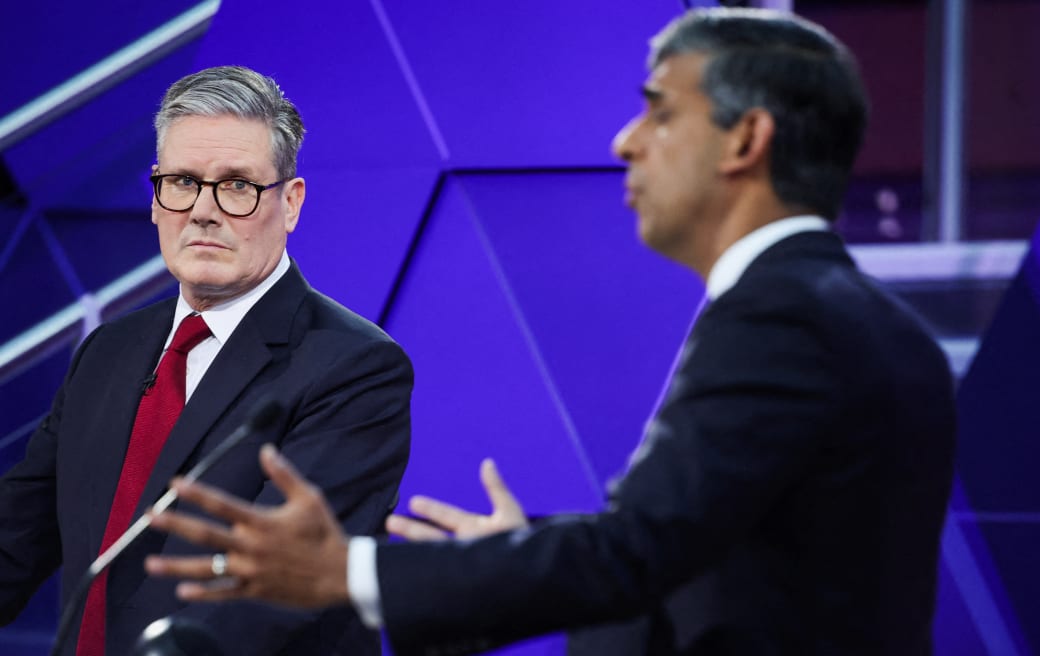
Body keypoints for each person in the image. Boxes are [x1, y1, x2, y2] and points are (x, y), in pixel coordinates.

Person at [144, 9, 957, 655]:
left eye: (660, 111)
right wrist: (521, 551)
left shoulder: (783, 316)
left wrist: (347, 570)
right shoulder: (868, 320)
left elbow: (638, 554)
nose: (624, 142)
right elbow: (720, 556)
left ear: (746, 140)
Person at [0, 66, 413, 656]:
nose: (202, 210)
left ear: (290, 203)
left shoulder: (356, 367)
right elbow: (17, 535)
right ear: (155, 198)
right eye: (183, 182)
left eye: (237, 185)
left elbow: (270, 588)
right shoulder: (106, 350)